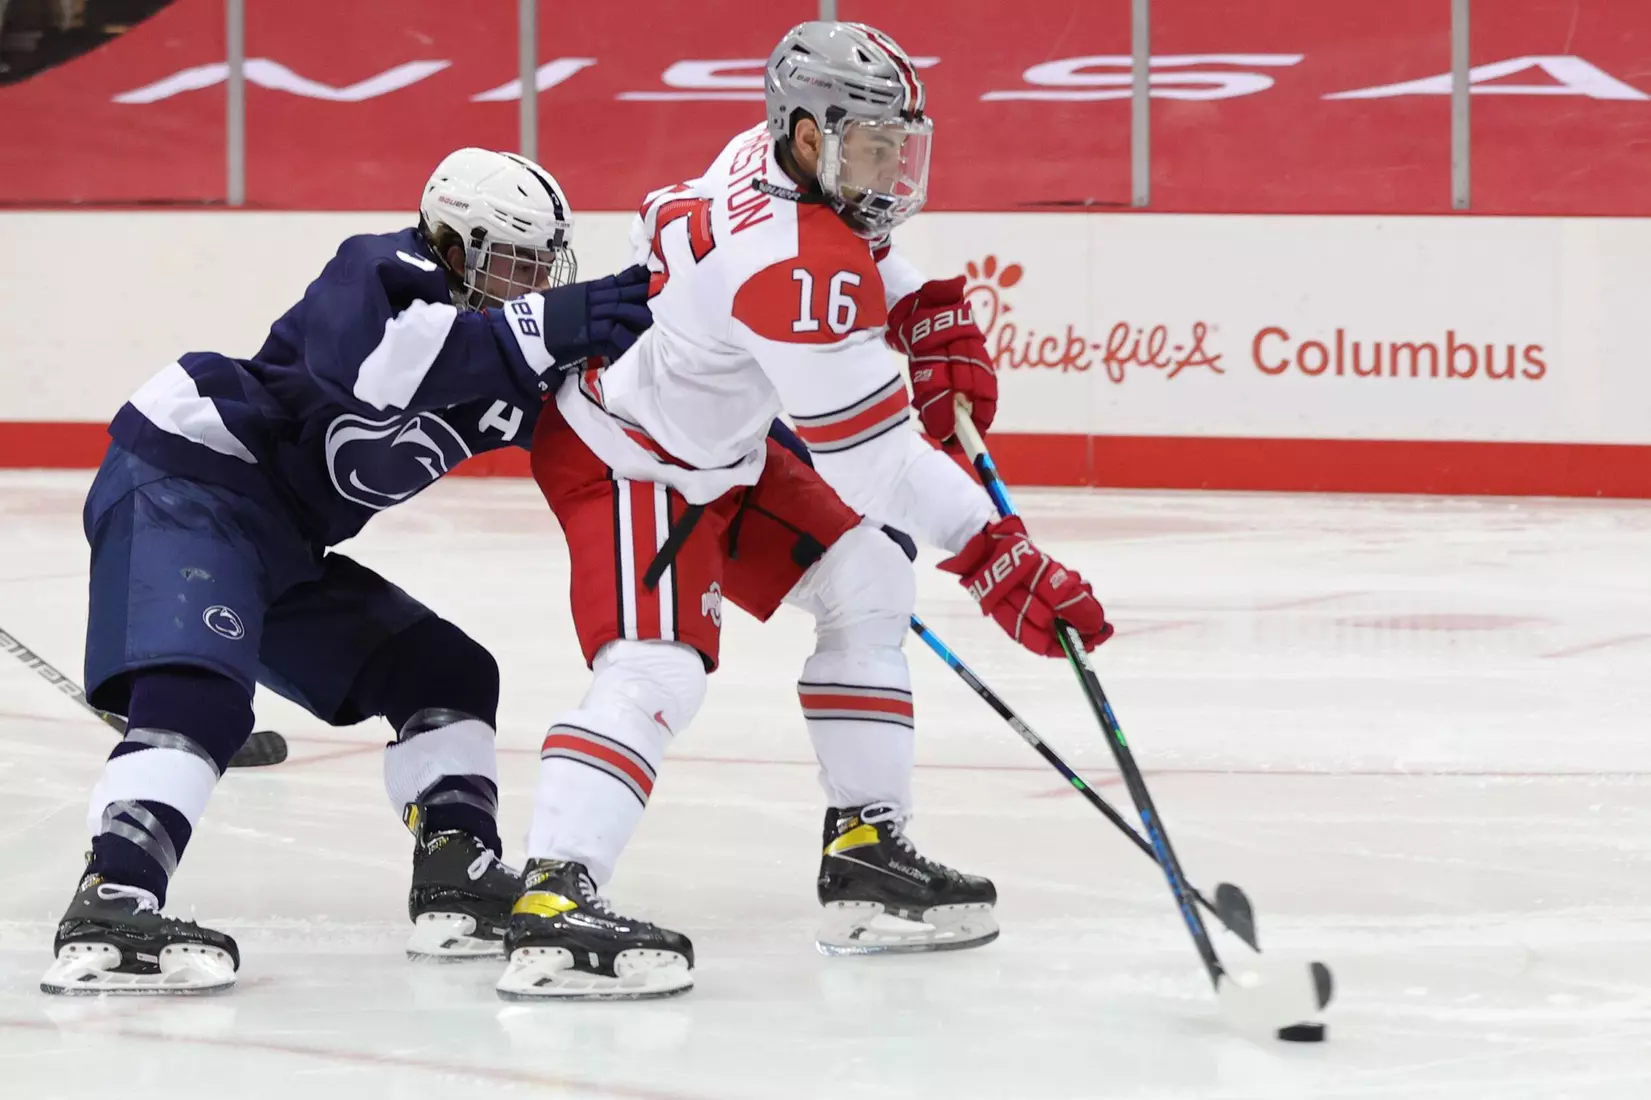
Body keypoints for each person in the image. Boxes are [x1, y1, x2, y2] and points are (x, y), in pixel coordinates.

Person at [498, 21, 1113, 1002]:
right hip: (630, 459)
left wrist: (912, 301)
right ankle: (552, 901)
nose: (891, 163)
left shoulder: (765, 156)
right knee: (655, 665)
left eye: (895, 138)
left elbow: (820, 251)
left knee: (871, 578)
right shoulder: (792, 263)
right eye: (870, 141)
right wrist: (997, 551)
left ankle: (867, 851)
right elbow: (874, 466)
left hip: (718, 447)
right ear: (808, 131)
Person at [41, 148, 652, 995]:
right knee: (201, 692)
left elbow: (629, 431)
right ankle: (113, 898)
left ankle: (457, 875)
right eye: (513, 263)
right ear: (451, 240)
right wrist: (539, 328)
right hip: (191, 477)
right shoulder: (382, 268)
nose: (531, 286)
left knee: (446, 672)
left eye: (544, 270)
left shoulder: (504, 355)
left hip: (281, 539)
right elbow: (376, 372)